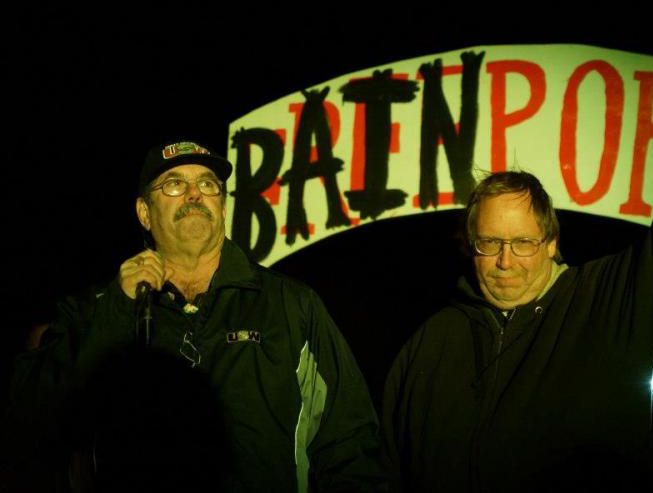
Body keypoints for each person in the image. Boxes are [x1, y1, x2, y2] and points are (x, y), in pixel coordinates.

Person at [380, 73, 653, 492]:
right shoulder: (428, 344)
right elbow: (381, 466)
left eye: (523, 242)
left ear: (551, 243)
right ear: (470, 244)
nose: (505, 261)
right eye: (490, 242)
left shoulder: (603, 303)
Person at [1, 141, 385, 492]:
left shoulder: (291, 304)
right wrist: (117, 310)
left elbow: (349, 441)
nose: (194, 194)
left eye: (208, 184)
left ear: (222, 205)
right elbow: (28, 422)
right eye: (173, 184)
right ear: (144, 213)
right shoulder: (95, 308)